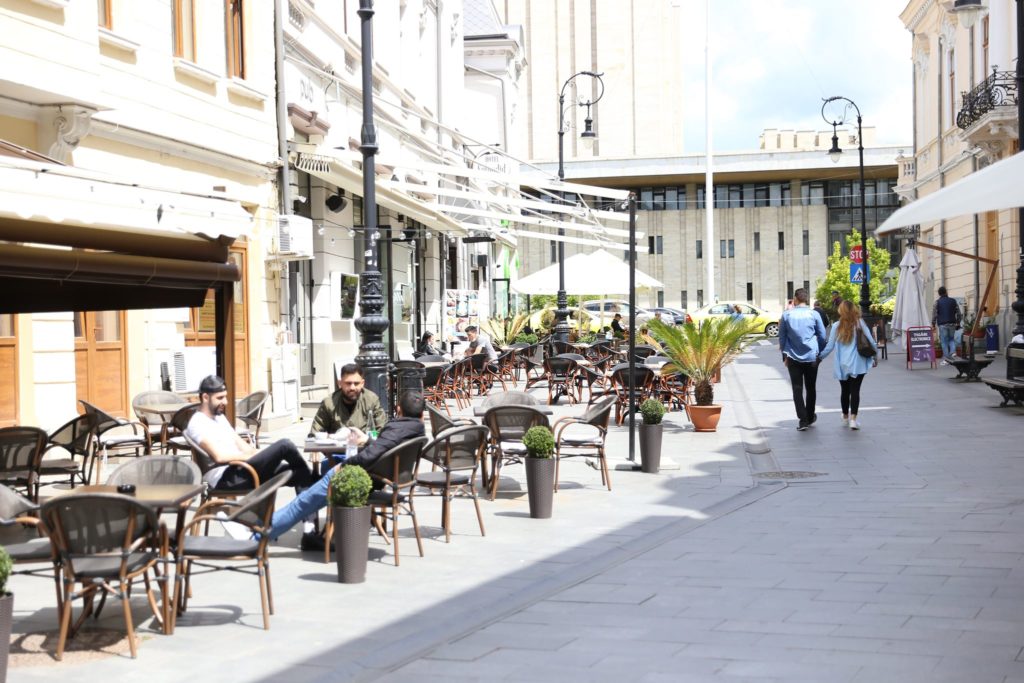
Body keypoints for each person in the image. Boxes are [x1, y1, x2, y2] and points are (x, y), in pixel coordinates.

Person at [269, 390, 427, 549]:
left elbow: (370, 456)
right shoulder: (417, 430)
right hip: (385, 480)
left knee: (303, 503)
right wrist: (367, 440)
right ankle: (291, 531)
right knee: (309, 499)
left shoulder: (395, 428)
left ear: (399, 409)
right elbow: (386, 449)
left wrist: (343, 466)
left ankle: (262, 532)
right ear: (422, 415)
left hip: (366, 478)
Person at [185, 375, 315, 491]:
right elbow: (219, 457)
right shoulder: (197, 423)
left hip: (242, 469)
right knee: (285, 445)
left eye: (225, 397)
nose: (225, 402)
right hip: (225, 477)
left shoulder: (219, 417)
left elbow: (243, 445)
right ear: (205, 397)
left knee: (298, 472)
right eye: (220, 398)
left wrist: (262, 455)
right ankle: (319, 481)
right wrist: (250, 457)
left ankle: (309, 514)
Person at [818, 300, 878, 430]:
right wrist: (875, 356)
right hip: (858, 363)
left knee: (844, 390)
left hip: (842, 364)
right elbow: (872, 342)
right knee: (855, 391)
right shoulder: (859, 323)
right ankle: (853, 420)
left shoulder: (836, 326)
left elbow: (829, 346)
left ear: (841, 311)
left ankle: (845, 416)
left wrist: (819, 358)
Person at [778, 287, 827, 431]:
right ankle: (810, 415)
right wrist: (819, 352)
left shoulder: (786, 315)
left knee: (797, 388)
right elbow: (823, 336)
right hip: (812, 356)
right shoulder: (814, 315)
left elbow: (782, 338)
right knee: (811, 388)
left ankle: (803, 420)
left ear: (795, 299)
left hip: (793, 356)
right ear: (807, 299)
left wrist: (785, 356)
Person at [310, 363, 388, 439]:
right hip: (336, 449)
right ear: (340, 383)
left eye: (356, 383)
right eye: (348, 383)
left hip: (365, 448)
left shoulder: (371, 400)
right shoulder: (329, 403)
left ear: (362, 383)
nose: (352, 388)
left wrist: (368, 439)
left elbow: (382, 430)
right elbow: (315, 432)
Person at [932, 286, 962, 362]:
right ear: (946, 292)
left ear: (939, 294)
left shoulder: (937, 302)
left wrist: (933, 323)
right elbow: (959, 313)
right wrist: (958, 322)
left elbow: (934, 314)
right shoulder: (953, 301)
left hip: (942, 324)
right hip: (952, 323)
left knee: (944, 341)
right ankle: (952, 352)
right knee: (951, 339)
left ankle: (947, 358)